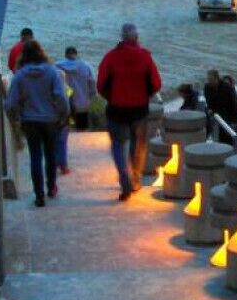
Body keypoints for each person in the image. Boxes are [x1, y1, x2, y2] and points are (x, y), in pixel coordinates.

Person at [97, 23, 162, 201]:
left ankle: (123, 176)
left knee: (118, 145)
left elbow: (100, 85)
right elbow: (156, 84)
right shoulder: (145, 57)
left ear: (121, 37)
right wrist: (145, 95)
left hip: (116, 109)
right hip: (139, 110)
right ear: (137, 38)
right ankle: (135, 180)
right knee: (138, 145)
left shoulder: (110, 57)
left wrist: (111, 97)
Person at [5, 40, 70, 207]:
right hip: (50, 120)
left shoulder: (20, 75)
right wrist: (64, 114)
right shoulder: (52, 72)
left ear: (23, 55)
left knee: (35, 156)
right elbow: (61, 97)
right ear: (41, 53)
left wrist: (15, 118)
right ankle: (51, 187)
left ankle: (39, 195)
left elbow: (10, 103)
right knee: (50, 154)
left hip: (30, 121)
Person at [55, 46, 97, 175]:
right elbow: (92, 83)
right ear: (76, 54)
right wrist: (91, 97)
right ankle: (82, 154)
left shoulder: (57, 66)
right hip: (82, 104)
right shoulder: (86, 66)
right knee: (82, 131)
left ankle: (65, 156)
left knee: (66, 131)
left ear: (66, 54)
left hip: (66, 105)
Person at [204, 69, 237, 147]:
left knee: (231, 139)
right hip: (216, 115)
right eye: (208, 79)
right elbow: (209, 102)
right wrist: (211, 110)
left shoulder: (227, 87)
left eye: (211, 79)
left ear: (217, 78)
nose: (209, 81)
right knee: (219, 138)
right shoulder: (207, 87)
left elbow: (235, 105)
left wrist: (234, 121)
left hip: (229, 115)